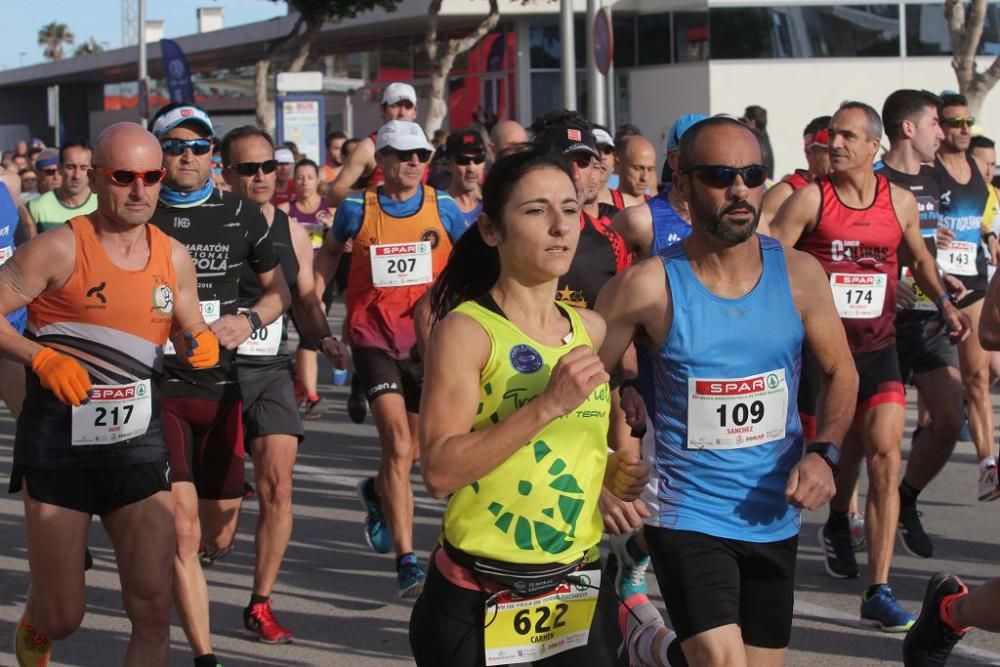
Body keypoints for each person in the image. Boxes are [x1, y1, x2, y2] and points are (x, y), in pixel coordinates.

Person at [595, 115, 858, 667]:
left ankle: (648, 645)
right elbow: (574, 388)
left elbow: (841, 374)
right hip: (685, 509)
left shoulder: (800, 274)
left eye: (752, 173)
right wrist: (600, 473)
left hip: (772, 511)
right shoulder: (648, 286)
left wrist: (825, 454)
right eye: (719, 175)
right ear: (683, 185)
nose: (739, 189)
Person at [410, 145, 649, 667]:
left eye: (569, 209)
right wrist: (546, 405)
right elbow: (440, 470)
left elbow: (572, 445)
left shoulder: (591, 329)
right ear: (492, 230)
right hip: (478, 592)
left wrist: (611, 473)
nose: (560, 227)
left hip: (576, 587)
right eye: (536, 210)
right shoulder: (465, 332)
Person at [5, 121, 219, 667]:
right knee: (63, 618)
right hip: (59, 448)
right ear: (99, 179)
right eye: (125, 176)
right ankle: (38, 624)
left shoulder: (172, 256)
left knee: (152, 606)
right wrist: (40, 356)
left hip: (137, 444)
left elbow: (188, 326)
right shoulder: (57, 248)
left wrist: (199, 343)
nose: (140, 189)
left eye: (151, 175)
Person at [769, 101, 970, 631]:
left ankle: (877, 588)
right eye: (832, 135)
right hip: (818, 358)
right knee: (808, 469)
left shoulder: (899, 203)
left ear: (872, 147)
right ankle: (780, 567)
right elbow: (763, 265)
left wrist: (944, 305)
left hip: (878, 350)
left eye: (846, 137)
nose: (834, 144)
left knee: (884, 453)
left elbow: (921, 259)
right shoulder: (810, 199)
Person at [149, 101, 291, 667]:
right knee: (181, 531)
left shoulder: (241, 213)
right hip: (159, 388)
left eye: (199, 146)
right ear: (157, 153)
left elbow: (277, 292)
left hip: (222, 387)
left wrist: (250, 319)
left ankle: (197, 560)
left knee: (218, 533)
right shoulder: (139, 209)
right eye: (175, 146)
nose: (187, 155)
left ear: (214, 157)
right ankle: (203, 653)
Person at [314, 119, 468, 597]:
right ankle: (408, 560)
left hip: (429, 344)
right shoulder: (357, 208)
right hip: (372, 340)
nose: (414, 164)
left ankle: (378, 492)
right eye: (403, 155)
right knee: (399, 447)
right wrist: (316, 314)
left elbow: (473, 262)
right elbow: (329, 256)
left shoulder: (443, 207)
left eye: (421, 155)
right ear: (379, 161)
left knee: (419, 451)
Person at [221, 125, 349, 644]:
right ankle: (217, 524)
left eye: (267, 167)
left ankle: (260, 602)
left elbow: (305, 301)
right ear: (225, 173)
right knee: (219, 522)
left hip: (270, 372)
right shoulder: (205, 228)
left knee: (279, 486)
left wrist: (325, 339)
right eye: (247, 169)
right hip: (213, 376)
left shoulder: (293, 232)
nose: (260, 177)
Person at [876, 89, 965, 560]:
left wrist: (940, 281)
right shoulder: (873, 180)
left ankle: (907, 496)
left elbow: (920, 249)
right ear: (908, 128)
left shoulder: (932, 180)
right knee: (876, 445)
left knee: (951, 417)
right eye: (935, 122)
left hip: (929, 315)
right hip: (882, 323)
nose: (942, 132)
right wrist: (889, 283)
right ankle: (844, 524)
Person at [934, 93, 1000, 501]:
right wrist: (929, 235)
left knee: (981, 375)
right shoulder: (930, 171)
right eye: (955, 123)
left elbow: (980, 218)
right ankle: (935, 416)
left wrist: (990, 236)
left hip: (972, 279)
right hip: (933, 283)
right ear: (938, 126)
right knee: (952, 378)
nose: (963, 130)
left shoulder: (977, 169)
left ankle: (986, 465)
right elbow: (913, 217)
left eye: (967, 122)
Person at [279, 158, 337, 419]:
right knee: (304, 336)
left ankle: (306, 389)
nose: (304, 182)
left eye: (309, 177)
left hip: (322, 280)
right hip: (291, 282)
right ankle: (309, 393)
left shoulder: (330, 211)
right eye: (299, 177)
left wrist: (330, 230)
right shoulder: (284, 209)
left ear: (317, 180)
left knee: (310, 336)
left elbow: (342, 247)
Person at [613, 114, 706, 261]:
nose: (703, 162)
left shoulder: (732, 217)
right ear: (672, 158)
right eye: (692, 153)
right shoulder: (639, 220)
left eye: (709, 153)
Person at [327, 82, 420, 207]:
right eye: (396, 105)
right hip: (378, 223)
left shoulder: (425, 148)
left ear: (415, 112)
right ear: (383, 109)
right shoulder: (369, 147)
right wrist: (372, 194)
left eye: (408, 107)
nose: (402, 113)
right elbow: (333, 195)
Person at [760, 116, 832, 226]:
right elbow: (756, 238)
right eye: (830, 151)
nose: (838, 157)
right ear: (810, 152)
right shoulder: (785, 193)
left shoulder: (847, 193)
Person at [27, 139, 97, 233]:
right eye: (71, 167)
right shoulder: (37, 207)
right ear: (59, 168)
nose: (76, 175)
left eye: (83, 168)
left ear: (91, 170)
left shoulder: (103, 204)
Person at [445, 129, 486, 229]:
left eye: (478, 160)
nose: (471, 168)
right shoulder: (439, 206)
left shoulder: (494, 204)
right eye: (463, 161)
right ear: (450, 164)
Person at [610, 135, 657, 209]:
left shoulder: (657, 208)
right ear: (618, 164)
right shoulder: (605, 208)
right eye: (637, 168)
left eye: (650, 169)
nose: (645, 177)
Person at [743, 105, 775, 180]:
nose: (744, 124)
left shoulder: (754, 139)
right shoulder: (764, 136)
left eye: (745, 121)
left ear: (752, 122)